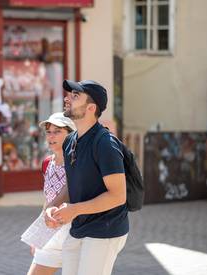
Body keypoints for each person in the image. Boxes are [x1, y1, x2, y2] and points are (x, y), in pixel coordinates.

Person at [45, 80, 128, 275]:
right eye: (69, 94)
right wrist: (53, 207)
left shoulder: (105, 144)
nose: (67, 99)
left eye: (75, 96)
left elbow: (118, 196)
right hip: (79, 227)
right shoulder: (70, 142)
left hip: (105, 229)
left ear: (91, 108)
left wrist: (74, 210)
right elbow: (72, 184)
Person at [27, 112, 76, 275]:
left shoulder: (80, 162)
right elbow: (48, 200)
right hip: (51, 230)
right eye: (48, 131)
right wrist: (38, 236)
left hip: (76, 233)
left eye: (58, 131)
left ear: (71, 134)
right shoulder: (47, 162)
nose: (51, 136)